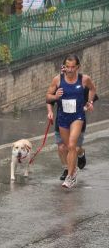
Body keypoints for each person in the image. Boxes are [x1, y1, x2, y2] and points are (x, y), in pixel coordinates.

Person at [46, 54, 96, 189]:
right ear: (64, 67)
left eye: (73, 67)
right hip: (63, 117)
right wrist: (55, 96)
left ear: (77, 67)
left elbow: (92, 89)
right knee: (67, 147)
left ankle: (71, 176)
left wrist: (90, 102)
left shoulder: (84, 79)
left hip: (77, 116)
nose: (70, 70)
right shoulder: (58, 79)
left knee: (73, 145)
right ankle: (72, 170)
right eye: (67, 67)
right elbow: (48, 96)